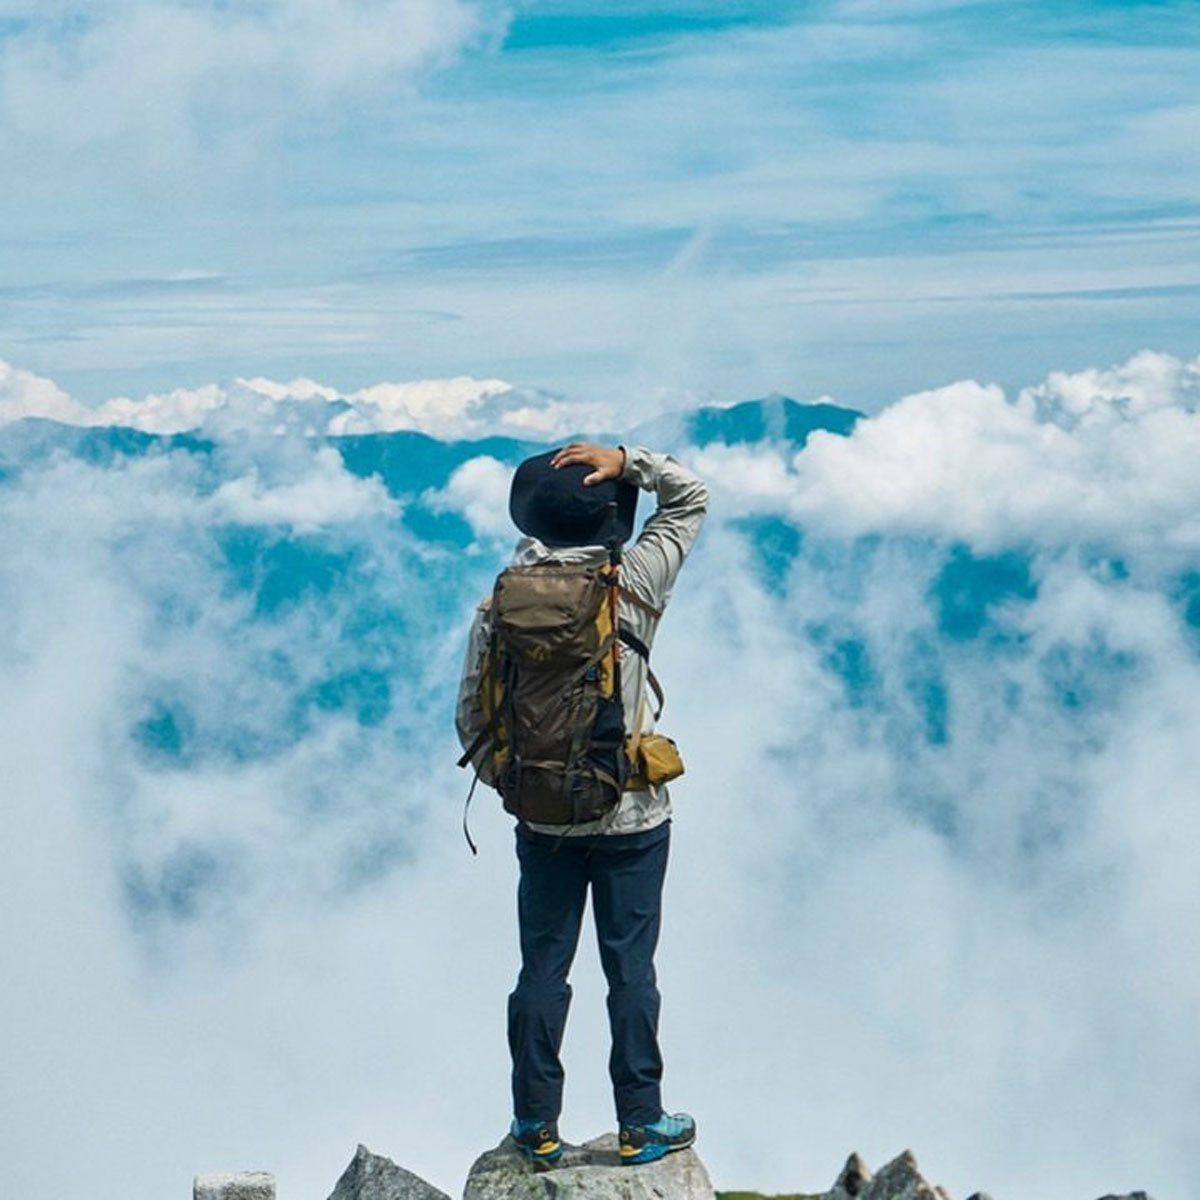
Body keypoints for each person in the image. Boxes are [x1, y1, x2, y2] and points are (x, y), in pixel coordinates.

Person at [455, 441, 709, 1167]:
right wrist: (629, 461)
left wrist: (522, 784)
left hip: (542, 820)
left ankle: (534, 1126)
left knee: (542, 969)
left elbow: (472, 716)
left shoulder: (501, 601)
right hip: (632, 819)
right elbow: (690, 496)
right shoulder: (632, 580)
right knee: (631, 971)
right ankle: (641, 1122)